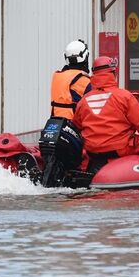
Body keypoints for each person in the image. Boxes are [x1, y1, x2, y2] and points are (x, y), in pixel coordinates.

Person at [75, 56, 139, 174]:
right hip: (120, 149)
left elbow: (77, 126)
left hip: (94, 151)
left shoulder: (83, 101)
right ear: (113, 73)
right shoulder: (124, 96)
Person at [37, 39, 91, 187]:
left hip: (53, 125)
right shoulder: (84, 81)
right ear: (85, 57)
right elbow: (91, 107)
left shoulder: (57, 76)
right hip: (73, 127)